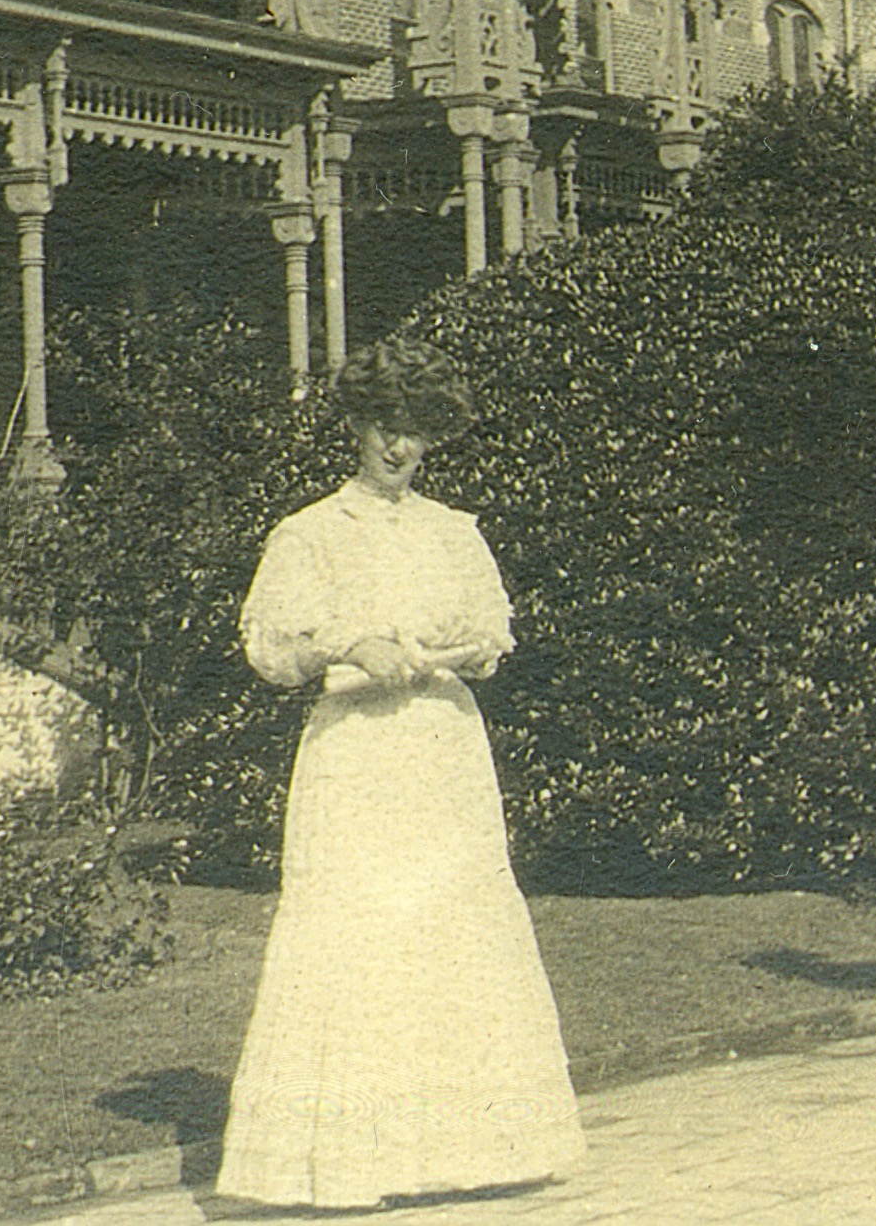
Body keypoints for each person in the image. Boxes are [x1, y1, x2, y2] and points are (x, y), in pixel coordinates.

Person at [217, 337, 583, 1211]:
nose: (399, 447)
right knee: (360, 930)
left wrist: (444, 652)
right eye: (385, 425)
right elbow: (269, 647)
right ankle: (355, 1160)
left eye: (416, 430)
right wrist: (347, 643)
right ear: (354, 425)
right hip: (357, 756)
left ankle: (472, 1148)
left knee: (451, 925)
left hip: (441, 750)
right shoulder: (307, 533)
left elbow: (493, 632)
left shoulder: (454, 533)